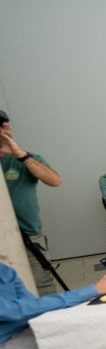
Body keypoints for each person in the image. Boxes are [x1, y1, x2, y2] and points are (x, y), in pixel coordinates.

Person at [0, 111, 63, 295]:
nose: (5, 132)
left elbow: (54, 180)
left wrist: (20, 154)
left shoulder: (25, 159)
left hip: (29, 235)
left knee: (42, 284)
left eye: (6, 127)